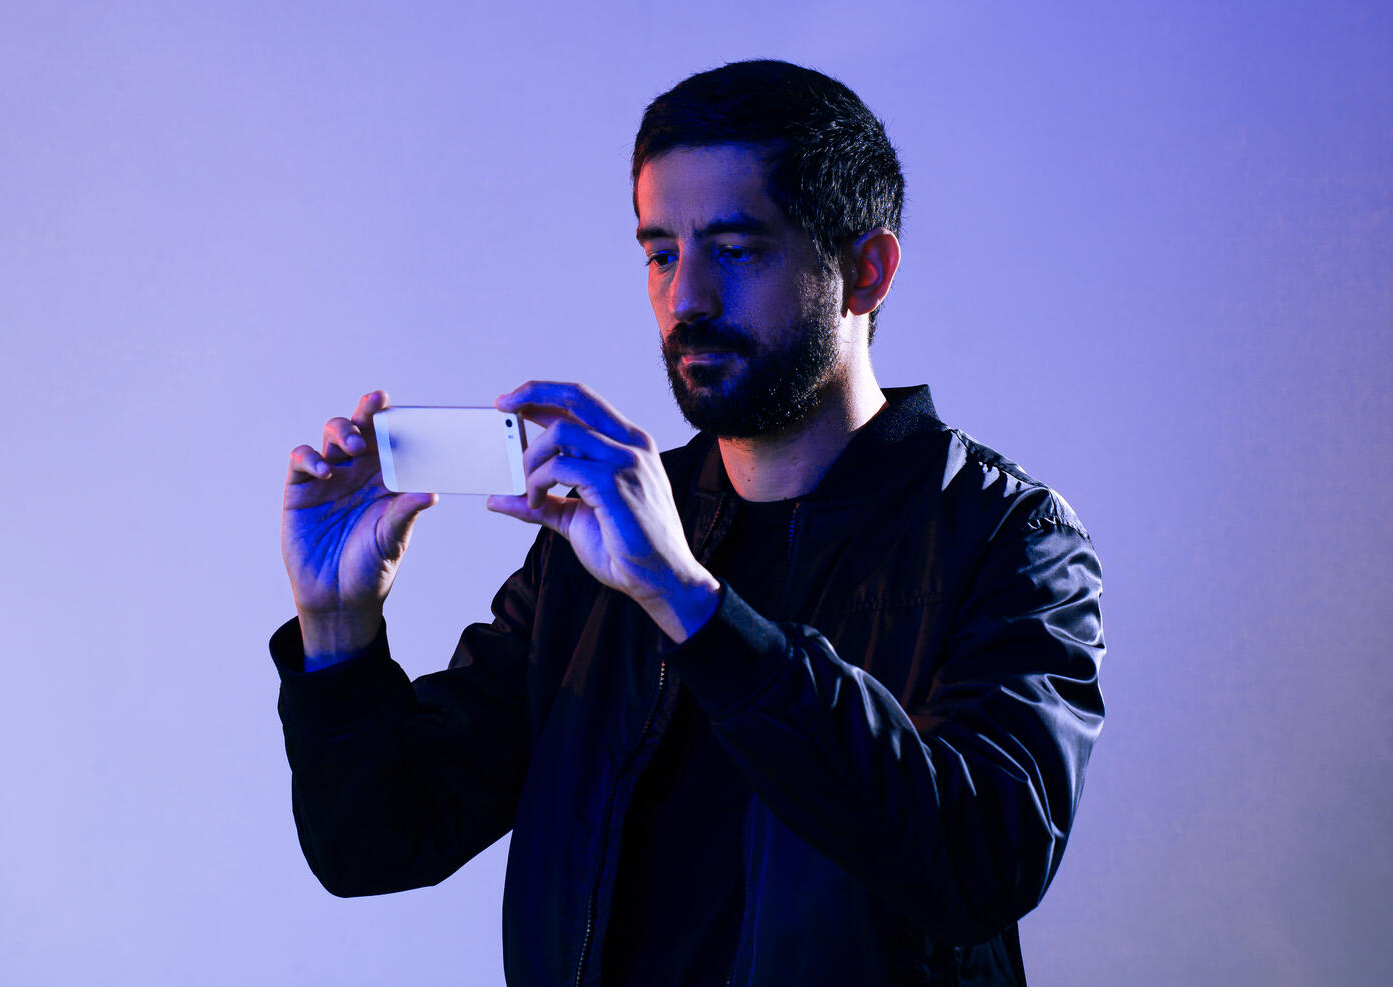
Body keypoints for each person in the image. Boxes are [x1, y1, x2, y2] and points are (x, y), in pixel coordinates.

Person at [272, 59, 1105, 987]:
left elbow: (978, 860)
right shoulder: (600, 537)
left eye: (736, 248)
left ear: (863, 271)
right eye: (661, 252)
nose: (687, 299)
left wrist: (690, 602)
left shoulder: (1009, 539)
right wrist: (338, 631)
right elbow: (381, 845)